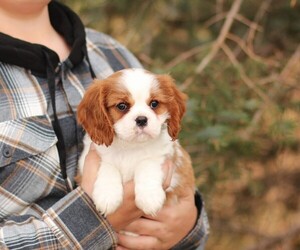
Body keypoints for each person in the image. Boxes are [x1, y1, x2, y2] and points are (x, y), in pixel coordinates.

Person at [0, 0, 209, 249]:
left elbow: (171, 162)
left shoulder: (111, 52)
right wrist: (89, 222)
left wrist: (188, 226)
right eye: (122, 106)